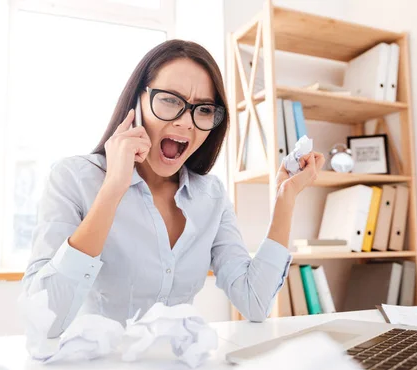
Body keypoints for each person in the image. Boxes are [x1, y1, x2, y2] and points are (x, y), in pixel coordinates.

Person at [23, 39, 325, 338]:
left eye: (204, 109)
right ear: (137, 102)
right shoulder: (73, 179)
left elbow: (255, 302)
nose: (185, 123)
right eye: (169, 100)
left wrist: (285, 198)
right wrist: (114, 188)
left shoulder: (212, 196)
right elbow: (45, 320)